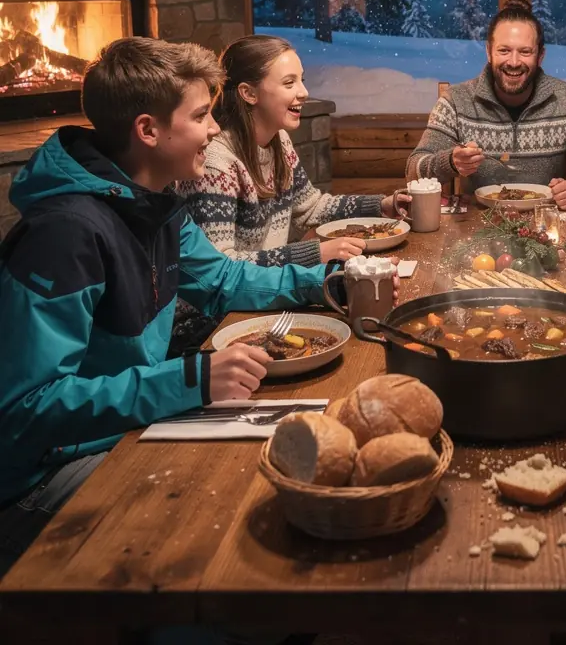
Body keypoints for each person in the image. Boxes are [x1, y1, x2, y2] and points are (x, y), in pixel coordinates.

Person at [0, 38, 396, 577]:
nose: (214, 130)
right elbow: (26, 411)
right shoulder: (65, 236)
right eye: (202, 115)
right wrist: (188, 378)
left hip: (128, 427)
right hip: (44, 476)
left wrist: (327, 283)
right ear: (148, 130)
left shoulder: (156, 203)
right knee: (225, 523)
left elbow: (224, 279)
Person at [180, 34, 409, 267]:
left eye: (302, 80)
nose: (304, 92)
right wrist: (311, 254)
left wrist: (381, 206)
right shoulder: (215, 164)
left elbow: (310, 207)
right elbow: (219, 266)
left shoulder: (279, 141)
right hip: (234, 302)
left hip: (266, 290)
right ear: (249, 93)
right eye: (289, 83)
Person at [406, 0, 566, 210]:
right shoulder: (456, 101)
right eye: (504, 50)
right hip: (477, 227)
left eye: (525, 52)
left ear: (540, 56)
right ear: (489, 52)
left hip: (547, 225)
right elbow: (414, 170)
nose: (514, 62)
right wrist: (450, 162)